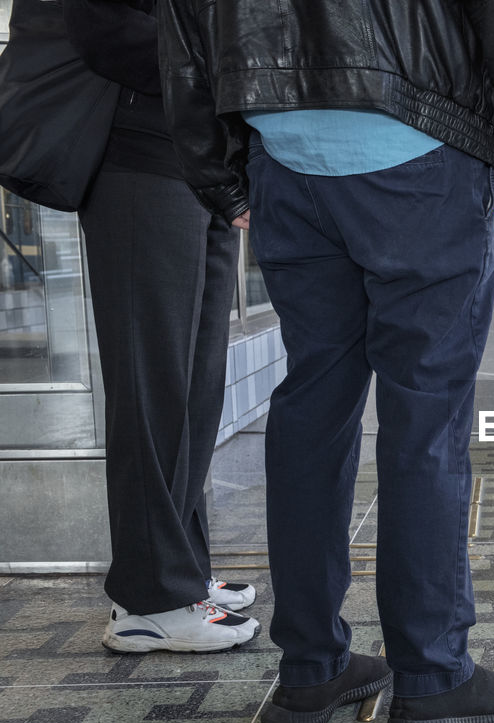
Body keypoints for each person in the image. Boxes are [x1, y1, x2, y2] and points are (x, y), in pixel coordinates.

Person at [158, 0, 494, 723]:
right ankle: (433, 675)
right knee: (426, 416)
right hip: (418, 145)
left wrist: (218, 173)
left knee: (312, 409)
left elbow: (183, 26)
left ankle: (312, 667)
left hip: (281, 155)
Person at [65, 0, 259, 653]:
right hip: (136, 160)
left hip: (199, 167)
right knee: (151, 383)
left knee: (192, 386)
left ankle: (183, 571)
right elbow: (101, 29)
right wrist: (221, 68)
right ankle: (147, 600)